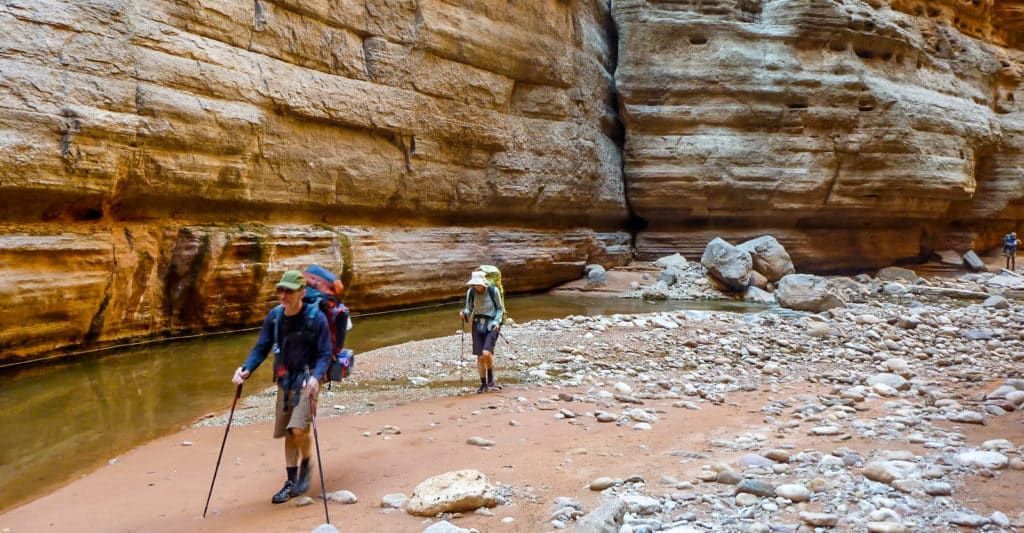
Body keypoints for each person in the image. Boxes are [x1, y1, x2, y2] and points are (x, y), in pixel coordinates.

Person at [231, 270, 332, 504]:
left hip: (308, 381)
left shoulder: (316, 318)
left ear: (302, 293)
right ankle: (290, 481)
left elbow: (325, 353)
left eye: (289, 291)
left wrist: (316, 378)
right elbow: (262, 347)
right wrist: (246, 368)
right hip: (285, 380)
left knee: (298, 428)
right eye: (281, 290)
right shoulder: (275, 317)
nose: (283, 295)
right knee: (288, 431)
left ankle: (306, 463)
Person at [459, 271, 504, 394]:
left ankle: (491, 377)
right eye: (474, 284)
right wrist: (464, 314)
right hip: (477, 324)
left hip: (492, 324)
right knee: (479, 357)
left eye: (477, 284)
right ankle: (483, 384)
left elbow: (500, 309)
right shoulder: (471, 292)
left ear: (483, 283)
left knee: (486, 353)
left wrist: (497, 322)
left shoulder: (493, 291)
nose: (476, 286)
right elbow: (469, 308)